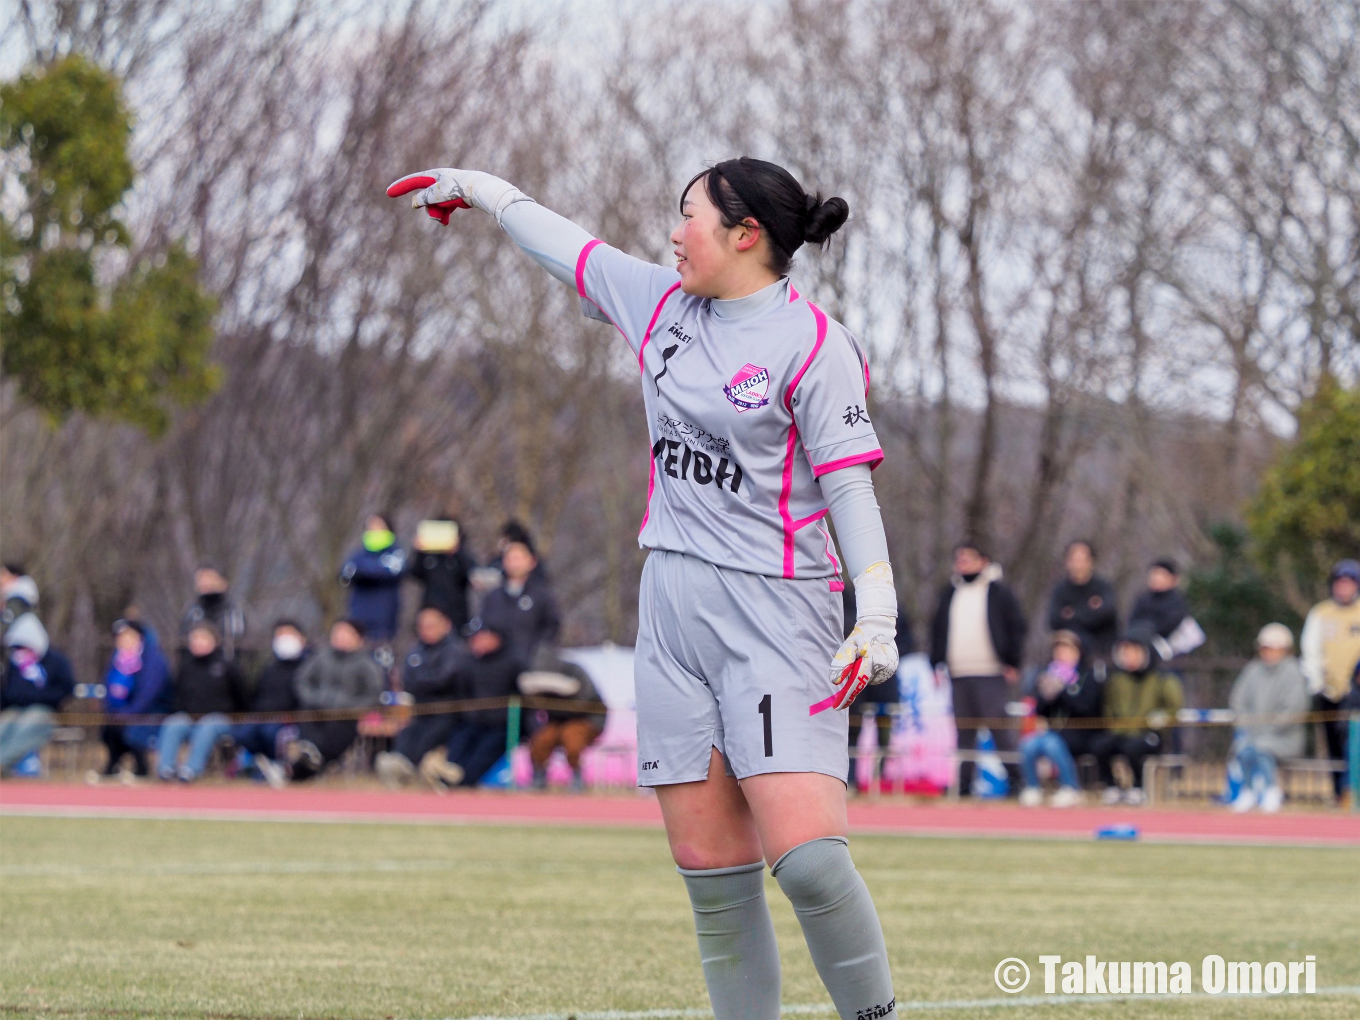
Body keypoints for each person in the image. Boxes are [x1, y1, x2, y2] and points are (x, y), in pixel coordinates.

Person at [389, 155, 900, 1017]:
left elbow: (851, 487)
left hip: (778, 614)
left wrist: (876, 614)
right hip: (669, 612)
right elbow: (570, 251)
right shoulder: (662, 305)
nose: (672, 230)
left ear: (746, 235)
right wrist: (483, 189)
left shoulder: (816, 345)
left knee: (810, 861)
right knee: (714, 880)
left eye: (688, 214)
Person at [929, 541, 1028, 794]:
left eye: (969, 558)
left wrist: (1012, 661)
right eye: (959, 559)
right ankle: (964, 785)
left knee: (1000, 730)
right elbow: (938, 630)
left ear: (984, 561)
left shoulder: (998, 591)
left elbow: (1016, 627)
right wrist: (936, 663)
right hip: (959, 672)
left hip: (991, 671)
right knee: (964, 733)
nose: (964, 564)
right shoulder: (950, 592)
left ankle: (1018, 782)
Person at [420, 621, 523, 791]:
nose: (477, 642)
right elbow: (460, 693)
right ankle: (446, 775)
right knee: (458, 745)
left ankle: (463, 782)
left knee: (484, 753)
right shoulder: (467, 663)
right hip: (472, 720)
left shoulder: (513, 662)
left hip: (501, 724)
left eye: (482, 637)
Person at [1091, 629, 1184, 805]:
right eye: (1126, 652)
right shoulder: (1116, 679)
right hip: (1122, 731)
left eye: (1134, 652)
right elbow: (1108, 706)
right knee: (1100, 746)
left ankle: (1139, 787)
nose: (1129, 657)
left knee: (1134, 748)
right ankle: (1111, 786)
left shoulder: (1162, 678)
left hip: (1150, 733)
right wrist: (1114, 725)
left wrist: (1156, 722)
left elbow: (1173, 707)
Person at [374, 607, 463, 788]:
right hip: (419, 710)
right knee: (407, 734)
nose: (425, 630)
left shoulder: (456, 651)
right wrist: (424, 682)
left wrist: (422, 682)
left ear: (445, 625)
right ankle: (399, 765)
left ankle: (414, 769)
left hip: (447, 712)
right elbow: (407, 679)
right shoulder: (415, 651)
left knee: (431, 735)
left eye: (431, 626)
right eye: (422, 626)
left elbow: (444, 679)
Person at [1226, 623, 1310, 813]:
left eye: (1274, 648)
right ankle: (1248, 791)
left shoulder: (1293, 672)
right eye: (1266, 648)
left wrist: (1266, 729)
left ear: (1285, 649)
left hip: (1285, 737)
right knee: (1244, 749)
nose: (1269, 653)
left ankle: (1271, 791)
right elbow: (1238, 700)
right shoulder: (1252, 670)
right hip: (1254, 733)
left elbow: (1294, 710)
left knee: (1263, 748)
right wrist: (1248, 724)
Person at [287, 618, 384, 781]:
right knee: (306, 714)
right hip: (316, 711)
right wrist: (316, 699)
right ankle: (307, 756)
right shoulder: (320, 658)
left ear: (359, 639)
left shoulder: (367, 665)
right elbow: (302, 682)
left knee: (337, 728)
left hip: (346, 717)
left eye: (346, 633)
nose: (341, 637)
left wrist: (348, 707)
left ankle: (297, 769)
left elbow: (373, 695)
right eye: (338, 632)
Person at [1018, 631, 1103, 808]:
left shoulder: (1088, 676)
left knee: (1051, 744)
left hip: (1082, 733)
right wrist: (1045, 695)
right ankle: (1033, 787)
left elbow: (1087, 708)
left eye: (1067, 649)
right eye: (1059, 649)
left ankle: (1071, 787)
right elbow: (1041, 712)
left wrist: (1063, 692)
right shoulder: (1049, 673)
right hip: (1055, 732)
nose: (1062, 654)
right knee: (1029, 744)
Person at [156, 623, 249, 782]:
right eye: (195, 639)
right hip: (189, 717)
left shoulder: (227, 666)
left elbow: (242, 696)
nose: (198, 642)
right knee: (173, 724)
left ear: (215, 641)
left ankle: (191, 769)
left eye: (203, 638)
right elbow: (177, 695)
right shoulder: (186, 667)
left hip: (221, 719)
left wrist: (238, 718)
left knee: (208, 726)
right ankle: (166, 768)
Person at [1300, 559, 1360, 800]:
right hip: (1330, 690)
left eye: (1349, 583)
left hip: (1356, 691)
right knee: (1334, 744)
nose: (1343, 588)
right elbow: (1310, 649)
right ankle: (1340, 794)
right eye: (1340, 583)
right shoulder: (1321, 612)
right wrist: (1317, 683)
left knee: (1354, 743)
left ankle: (1354, 791)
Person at [231, 619, 308, 788]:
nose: (284, 640)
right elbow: (256, 694)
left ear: (302, 639)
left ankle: (275, 766)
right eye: (280, 635)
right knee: (242, 733)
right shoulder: (269, 667)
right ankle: (261, 765)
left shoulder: (308, 666)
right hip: (262, 715)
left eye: (288, 635)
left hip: (289, 718)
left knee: (271, 732)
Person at [518, 647, 606, 791]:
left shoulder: (575, 671)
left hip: (587, 719)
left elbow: (586, 701)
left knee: (572, 738)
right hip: (558, 721)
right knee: (541, 739)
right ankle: (539, 777)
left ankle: (577, 777)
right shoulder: (536, 673)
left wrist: (562, 693)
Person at [1, 613, 75, 775]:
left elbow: (67, 689)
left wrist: (37, 696)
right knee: (5, 723)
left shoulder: (56, 662)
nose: (21, 652)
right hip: (16, 710)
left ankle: (3, 762)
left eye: (24, 646)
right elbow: (8, 693)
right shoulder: (14, 665)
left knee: (28, 724)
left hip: (45, 711)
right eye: (17, 647)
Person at [98, 619, 173, 779]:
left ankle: (141, 768)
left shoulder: (153, 660)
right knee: (109, 728)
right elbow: (109, 690)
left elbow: (149, 693)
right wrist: (112, 712)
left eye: (129, 636)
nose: (124, 641)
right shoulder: (117, 660)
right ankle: (113, 766)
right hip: (124, 711)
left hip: (153, 711)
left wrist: (129, 713)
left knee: (132, 728)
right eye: (120, 637)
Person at [474, 536, 560, 668]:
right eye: (510, 558)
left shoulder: (542, 596)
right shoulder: (493, 596)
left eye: (518, 558)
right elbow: (484, 625)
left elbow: (552, 628)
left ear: (532, 561)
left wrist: (539, 653)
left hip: (531, 664)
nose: (514, 563)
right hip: (497, 667)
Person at [339, 514, 406, 643]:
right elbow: (345, 575)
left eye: (378, 527)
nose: (374, 531)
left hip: (384, 620)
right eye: (370, 528)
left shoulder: (396, 554)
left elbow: (391, 572)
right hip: (358, 616)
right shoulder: (357, 554)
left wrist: (364, 572)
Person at [1047, 540, 1118, 661]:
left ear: (1091, 561)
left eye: (1081, 559)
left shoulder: (1103, 587)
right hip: (1066, 650)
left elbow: (1107, 613)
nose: (1077, 564)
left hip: (1100, 650)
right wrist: (1090, 610)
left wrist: (1071, 614)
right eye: (1073, 559)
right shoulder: (1060, 590)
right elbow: (1054, 620)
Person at [407, 517, 478, 632]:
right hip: (431, 610)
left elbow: (472, 573)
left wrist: (457, 552)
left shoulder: (461, 556)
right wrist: (419, 551)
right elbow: (414, 573)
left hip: (456, 613)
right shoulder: (429, 557)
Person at [1128, 559, 1204, 662]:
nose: (1156, 578)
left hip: (1172, 652)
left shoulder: (1177, 601)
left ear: (1172, 578)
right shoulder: (1142, 599)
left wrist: (1149, 629)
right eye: (1154, 574)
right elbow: (1133, 621)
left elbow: (1169, 623)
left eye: (1161, 575)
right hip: (1143, 649)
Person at [179, 565, 247, 661]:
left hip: (228, 670)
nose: (205, 583)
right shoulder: (191, 612)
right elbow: (183, 642)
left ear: (223, 582)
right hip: (195, 670)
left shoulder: (235, 613)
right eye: (201, 579)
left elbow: (245, 645)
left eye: (210, 578)